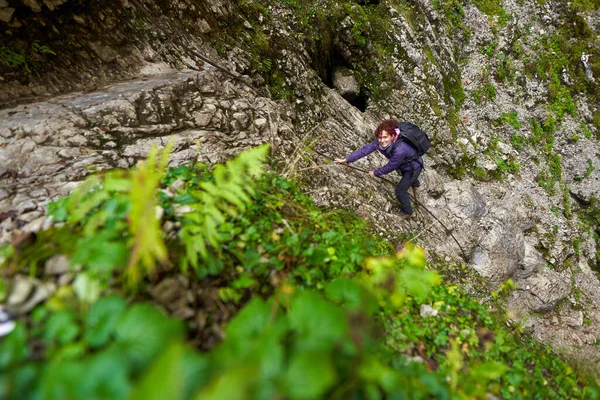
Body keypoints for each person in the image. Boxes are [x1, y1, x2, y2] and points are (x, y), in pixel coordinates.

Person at [335, 119, 422, 217]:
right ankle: (413, 182)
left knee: (400, 191)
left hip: (413, 168)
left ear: (392, 136)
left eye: (385, 137)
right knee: (406, 176)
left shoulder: (400, 149)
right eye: (380, 137)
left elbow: (391, 166)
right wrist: (347, 160)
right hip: (405, 164)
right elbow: (365, 150)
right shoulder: (379, 142)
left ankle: (408, 211)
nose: (382, 140)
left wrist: (376, 173)